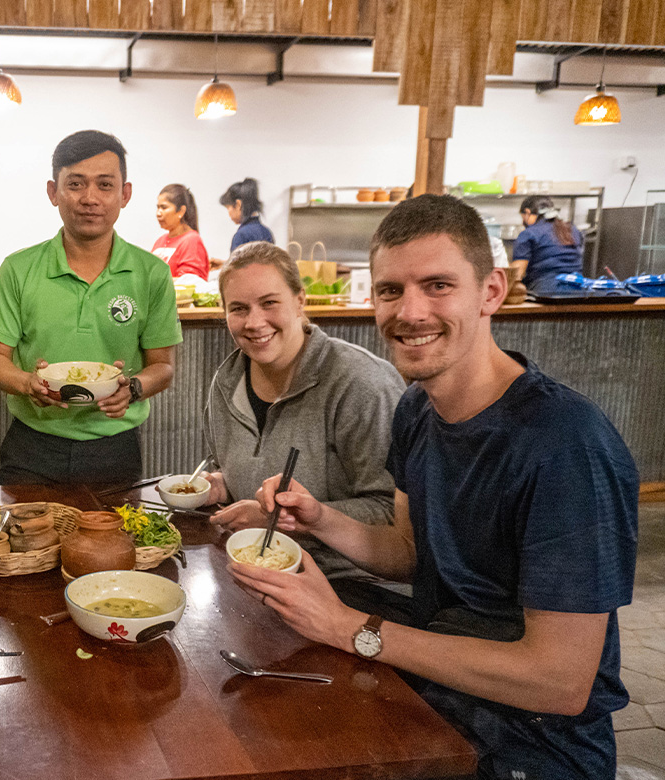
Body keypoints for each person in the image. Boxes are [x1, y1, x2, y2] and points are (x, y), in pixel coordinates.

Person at [230, 195, 638, 778]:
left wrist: (351, 629)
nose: (410, 312)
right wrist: (319, 518)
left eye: (438, 285)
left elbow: (560, 681)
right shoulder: (417, 410)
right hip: (441, 693)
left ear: (491, 292)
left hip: (536, 740)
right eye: (391, 291)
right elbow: (409, 555)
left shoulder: (565, 444)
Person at [203, 242, 407, 609]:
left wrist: (273, 517)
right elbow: (240, 466)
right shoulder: (227, 379)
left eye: (269, 303)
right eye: (238, 309)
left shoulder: (361, 383)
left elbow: (395, 516)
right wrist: (222, 483)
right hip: (258, 569)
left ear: (300, 301)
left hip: (354, 584)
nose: (254, 322)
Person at [0, 130, 182, 485]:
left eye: (105, 185)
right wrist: (28, 383)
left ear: (125, 194)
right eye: (75, 184)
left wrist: (133, 388)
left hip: (115, 446)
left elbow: (162, 366)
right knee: (27, 541)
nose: (90, 198)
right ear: (53, 192)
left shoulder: (152, 273)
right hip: (32, 446)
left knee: (113, 540)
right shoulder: (18, 268)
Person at [514, 195, 584, 292]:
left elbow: (517, 273)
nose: (523, 222)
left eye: (523, 218)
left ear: (527, 212)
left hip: (546, 289)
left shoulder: (529, 233)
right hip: (579, 288)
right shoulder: (573, 230)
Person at [151, 183, 209, 278]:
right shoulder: (160, 241)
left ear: (181, 211)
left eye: (164, 207)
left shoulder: (191, 240)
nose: (158, 213)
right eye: (157, 207)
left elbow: (189, 282)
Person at [220, 178, 274, 253]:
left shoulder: (241, 235)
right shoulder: (266, 232)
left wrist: (229, 264)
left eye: (228, 207)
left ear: (238, 205)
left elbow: (238, 264)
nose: (228, 213)